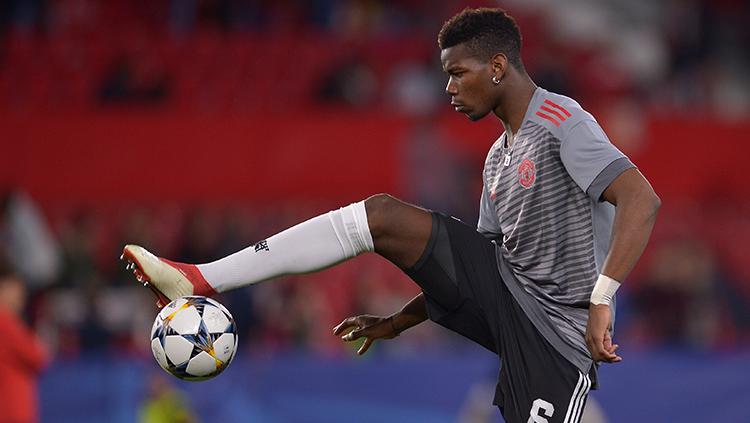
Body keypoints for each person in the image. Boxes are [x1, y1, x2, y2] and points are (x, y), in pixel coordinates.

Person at [122, 7, 660, 423]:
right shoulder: (498, 158)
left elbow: (641, 199)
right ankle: (200, 278)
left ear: (498, 67)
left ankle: (202, 277)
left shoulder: (561, 118)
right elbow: (475, 271)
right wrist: (397, 323)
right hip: (511, 304)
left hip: (556, 339)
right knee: (381, 216)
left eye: (457, 73)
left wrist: (601, 299)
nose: (448, 88)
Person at [0, 253, 50, 423]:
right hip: (11, 412)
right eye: (16, 288)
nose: (21, 295)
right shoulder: (5, 321)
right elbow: (38, 357)